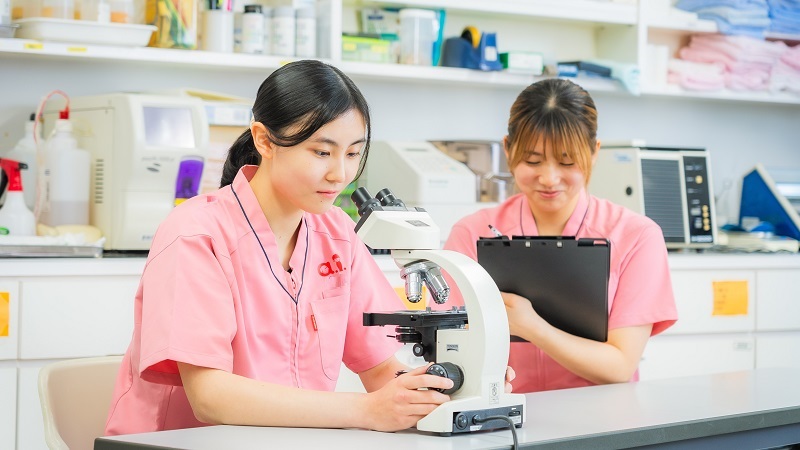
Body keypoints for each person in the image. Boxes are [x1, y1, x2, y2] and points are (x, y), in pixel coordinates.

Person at [105, 60, 463, 435]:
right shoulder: (197, 234)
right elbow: (209, 396)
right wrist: (366, 410)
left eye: (353, 153)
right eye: (321, 152)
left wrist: (443, 392)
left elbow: (381, 370)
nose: (340, 174)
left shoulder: (338, 233)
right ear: (264, 140)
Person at [443, 78, 678, 393]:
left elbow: (620, 367)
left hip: (602, 415)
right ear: (508, 149)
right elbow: (452, 344)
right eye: (533, 161)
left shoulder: (637, 237)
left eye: (567, 161)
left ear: (594, 153)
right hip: (503, 413)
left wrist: (532, 327)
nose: (549, 178)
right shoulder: (471, 233)